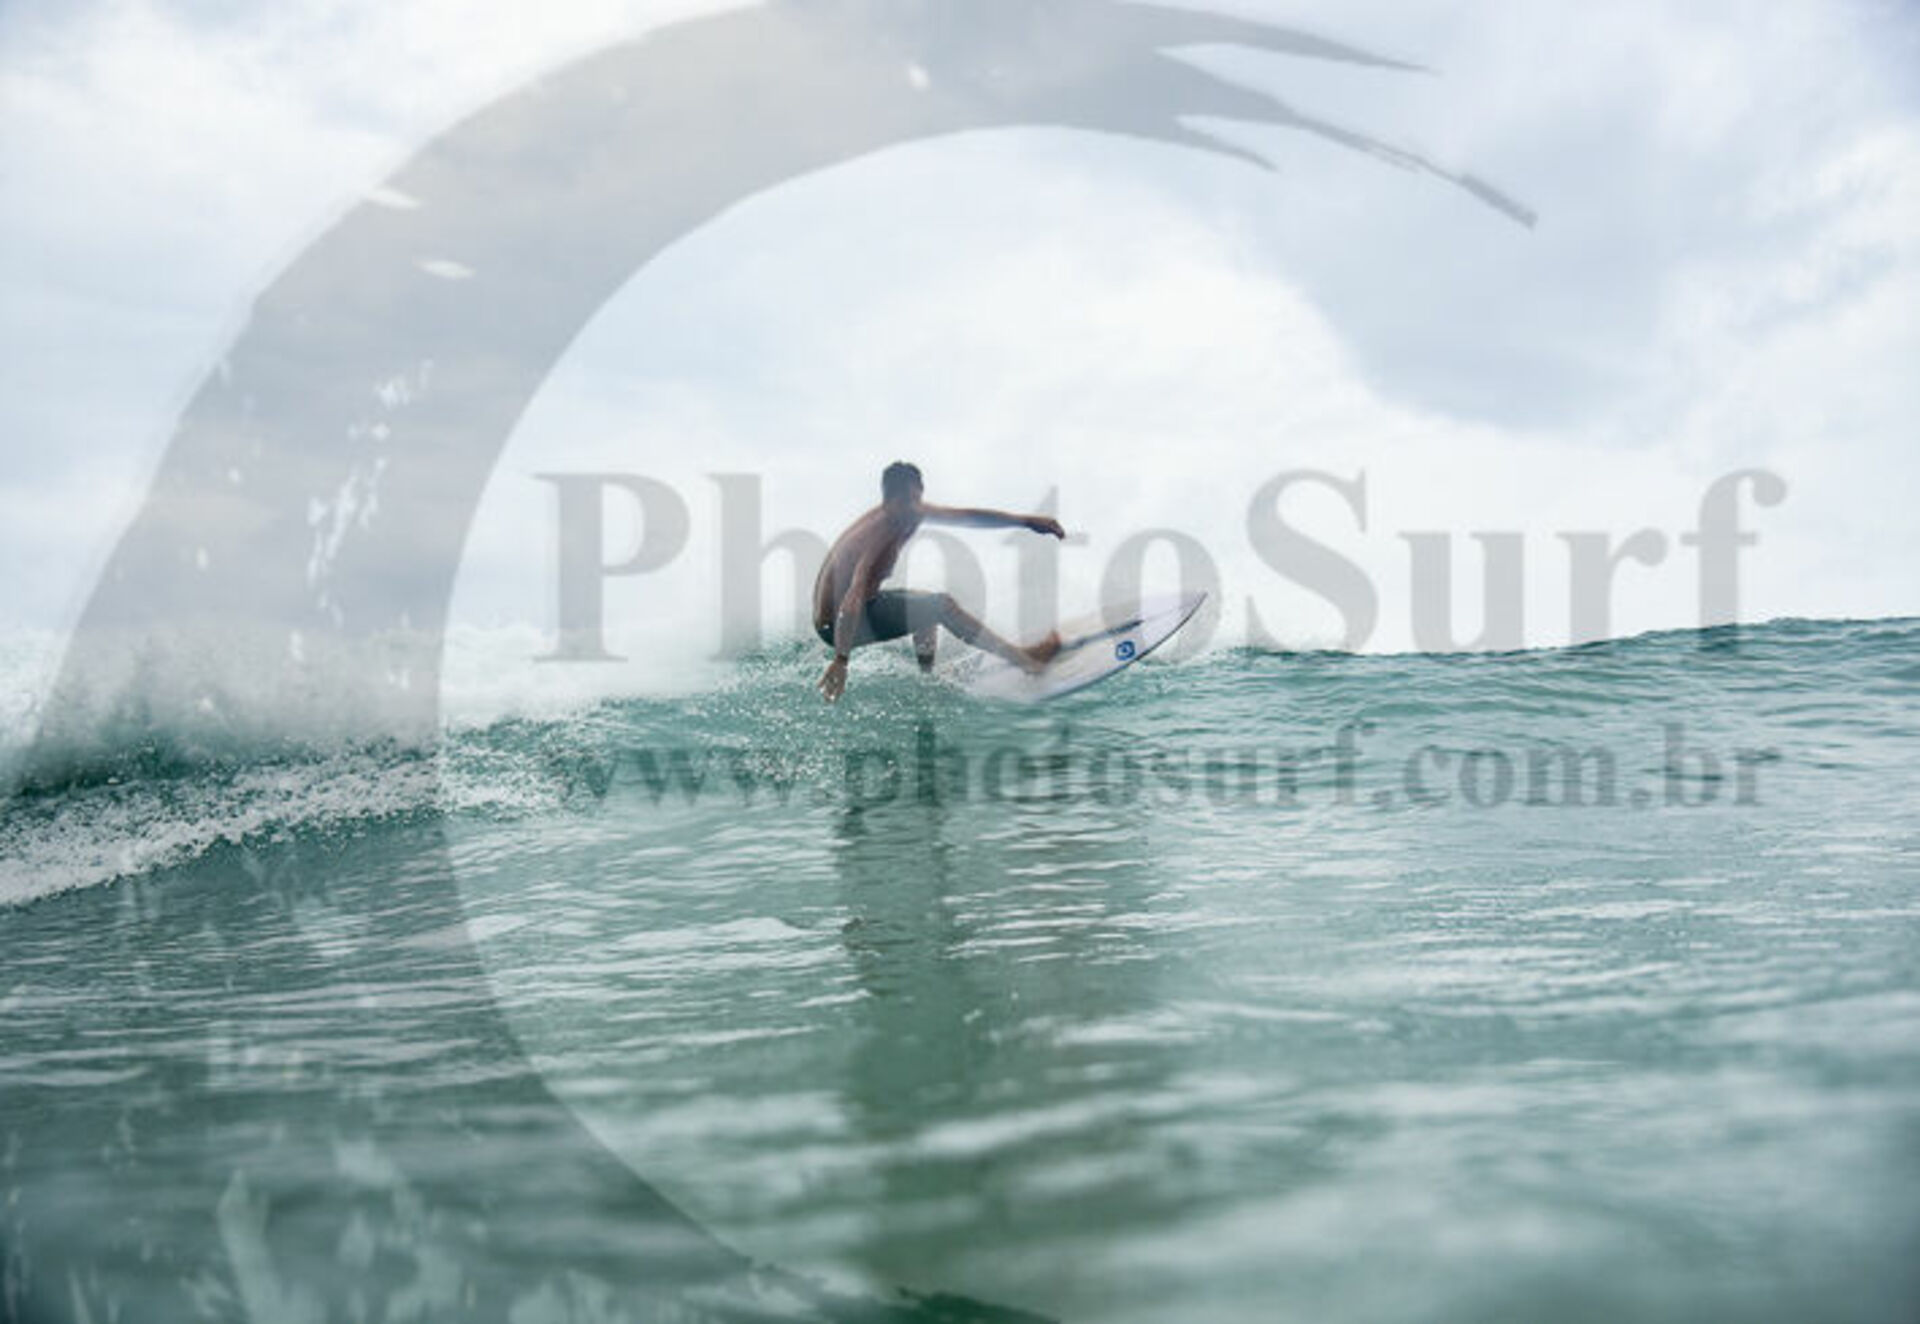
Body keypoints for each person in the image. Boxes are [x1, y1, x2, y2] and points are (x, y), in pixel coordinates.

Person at [814, 462, 1064, 703]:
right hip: (837, 624)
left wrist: (1026, 521)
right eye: (903, 503)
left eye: (915, 499)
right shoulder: (878, 534)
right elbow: (853, 596)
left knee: (923, 603)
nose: (910, 508)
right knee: (941, 606)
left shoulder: (913, 512)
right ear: (888, 502)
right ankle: (1029, 663)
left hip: (853, 610)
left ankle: (927, 679)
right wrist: (841, 660)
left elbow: (969, 518)